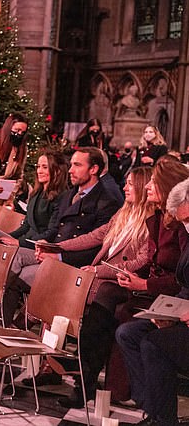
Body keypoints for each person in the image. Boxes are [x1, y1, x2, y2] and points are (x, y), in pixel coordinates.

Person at [57, 160, 189, 409]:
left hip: (157, 291)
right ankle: (76, 373)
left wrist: (137, 282)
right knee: (95, 299)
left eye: (151, 182)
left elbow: (147, 261)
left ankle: (124, 395)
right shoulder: (154, 216)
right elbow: (100, 236)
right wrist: (58, 249)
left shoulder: (174, 224)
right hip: (147, 287)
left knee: (109, 305)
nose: (147, 185)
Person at [25, 167, 153, 387]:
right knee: (57, 291)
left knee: (78, 295)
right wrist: (56, 246)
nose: (124, 188)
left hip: (117, 282)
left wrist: (97, 271)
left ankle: (78, 372)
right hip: (97, 278)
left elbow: (141, 260)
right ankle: (51, 363)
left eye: (130, 184)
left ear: (142, 186)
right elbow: (94, 236)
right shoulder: (123, 213)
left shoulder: (150, 221)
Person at [1, 147, 123, 326]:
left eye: (77, 165)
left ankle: (16, 328)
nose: (71, 170)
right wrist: (45, 246)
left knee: (19, 275)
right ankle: (2, 326)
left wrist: (57, 255)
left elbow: (97, 248)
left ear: (94, 169)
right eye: (71, 164)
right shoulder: (69, 195)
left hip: (72, 265)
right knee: (9, 259)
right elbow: (56, 229)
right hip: (54, 252)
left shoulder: (105, 201)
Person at [116, 177, 189, 426]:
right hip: (180, 310)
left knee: (153, 343)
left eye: (187, 220)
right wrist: (169, 312)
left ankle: (162, 419)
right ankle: (153, 408)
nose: (185, 227)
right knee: (129, 332)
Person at [2, 150, 69, 249]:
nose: (39, 171)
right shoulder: (36, 193)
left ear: (57, 171)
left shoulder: (62, 197)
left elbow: (51, 232)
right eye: (38, 166)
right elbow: (26, 226)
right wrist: (7, 237)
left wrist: (20, 243)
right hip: (26, 241)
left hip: (39, 247)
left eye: (45, 167)